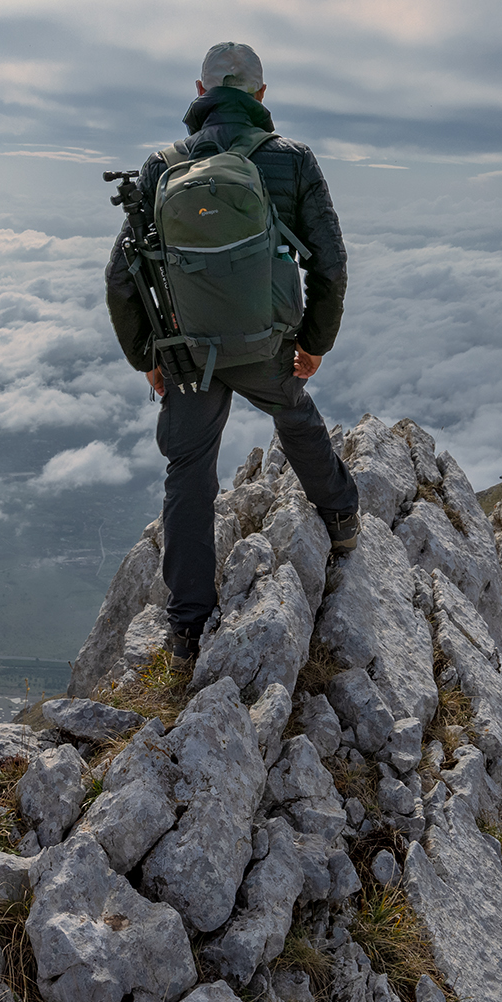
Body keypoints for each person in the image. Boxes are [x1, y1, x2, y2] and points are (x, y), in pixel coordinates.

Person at [104, 42, 360, 661]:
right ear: (261, 98)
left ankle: (188, 626)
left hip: (188, 353)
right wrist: (314, 344)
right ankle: (343, 519)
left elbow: (120, 275)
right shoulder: (293, 161)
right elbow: (330, 262)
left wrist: (148, 359)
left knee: (188, 472)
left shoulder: (162, 166)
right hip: (268, 342)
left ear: (200, 92)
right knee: (294, 415)